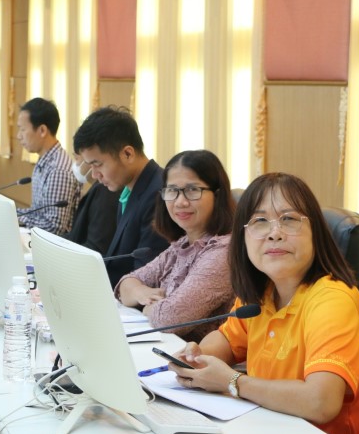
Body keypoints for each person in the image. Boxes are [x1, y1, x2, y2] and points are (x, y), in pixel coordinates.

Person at [169, 173, 359, 434]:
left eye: (289, 219)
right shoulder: (261, 292)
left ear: (315, 233)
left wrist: (233, 381)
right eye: (259, 221)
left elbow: (321, 402)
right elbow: (228, 341)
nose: (274, 234)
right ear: (242, 238)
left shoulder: (332, 301)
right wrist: (198, 356)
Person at [115, 150, 236, 343]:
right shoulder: (181, 245)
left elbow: (170, 319)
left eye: (192, 190)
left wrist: (147, 307)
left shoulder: (223, 251)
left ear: (217, 194)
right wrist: (140, 292)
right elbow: (124, 285)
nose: (180, 202)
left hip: (201, 358)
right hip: (170, 350)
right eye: (172, 191)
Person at [72, 106, 168, 287]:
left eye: (98, 164)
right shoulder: (127, 190)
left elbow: (145, 278)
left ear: (127, 154)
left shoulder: (158, 195)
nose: (95, 175)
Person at [16, 98, 81, 235]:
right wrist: (11, 213)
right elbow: (38, 212)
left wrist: (15, 218)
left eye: (22, 129)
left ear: (42, 130)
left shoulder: (58, 170)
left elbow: (54, 227)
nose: (18, 136)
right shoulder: (44, 160)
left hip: (53, 244)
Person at [62, 154, 121, 256]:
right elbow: (77, 234)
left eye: (77, 158)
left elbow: (96, 247)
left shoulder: (105, 190)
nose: (75, 164)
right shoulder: (98, 187)